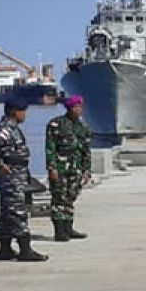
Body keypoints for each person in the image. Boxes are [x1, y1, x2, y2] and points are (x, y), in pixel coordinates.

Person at [0, 97, 46, 262]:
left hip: (18, 173)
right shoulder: (5, 129)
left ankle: (5, 249)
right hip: (10, 175)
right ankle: (25, 248)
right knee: (17, 210)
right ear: (13, 111)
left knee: (7, 212)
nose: (24, 114)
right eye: (22, 111)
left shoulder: (13, 128)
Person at [46, 95, 93, 242]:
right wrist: (51, 168)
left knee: (71, 197)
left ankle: (69, 227)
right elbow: (50, 148)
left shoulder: (83, 127)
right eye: (75, 107)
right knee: (59, 198)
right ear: (69, 108)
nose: (78, 110)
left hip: (75, 169)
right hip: (60, 168)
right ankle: (59, 231)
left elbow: (86, 150)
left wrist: (87, 170)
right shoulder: (56, 124)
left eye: (80, 107)